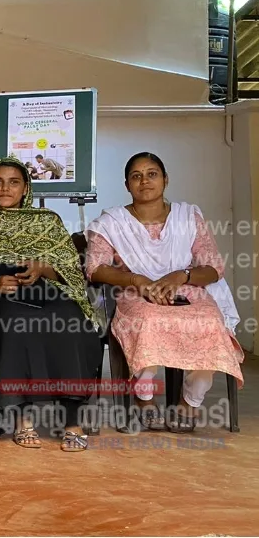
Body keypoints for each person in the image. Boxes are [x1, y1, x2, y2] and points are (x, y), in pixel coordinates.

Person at [85, 152, 244, 432]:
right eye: (136, 176)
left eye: (152, 174)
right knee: (149, 321)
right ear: (127, 184)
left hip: (187, 290)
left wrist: (181, 275)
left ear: (165, 180)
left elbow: (213, 267)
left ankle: (190, 401)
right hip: (136, 292)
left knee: (210, 323)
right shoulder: (112, 222)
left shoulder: (188, 217)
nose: (144, 181)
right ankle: (144, 399)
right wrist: (136, 279)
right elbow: (95, 268)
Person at [0, 157, 102, 452]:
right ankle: (24, 416)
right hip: (2, 300)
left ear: (25, 188)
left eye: (14, 182)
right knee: (18, 324)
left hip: (50, 295)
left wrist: (42, 268)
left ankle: (72, 420)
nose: (5, 188)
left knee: (71, 321)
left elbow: (72, 271)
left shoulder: (47, 221)